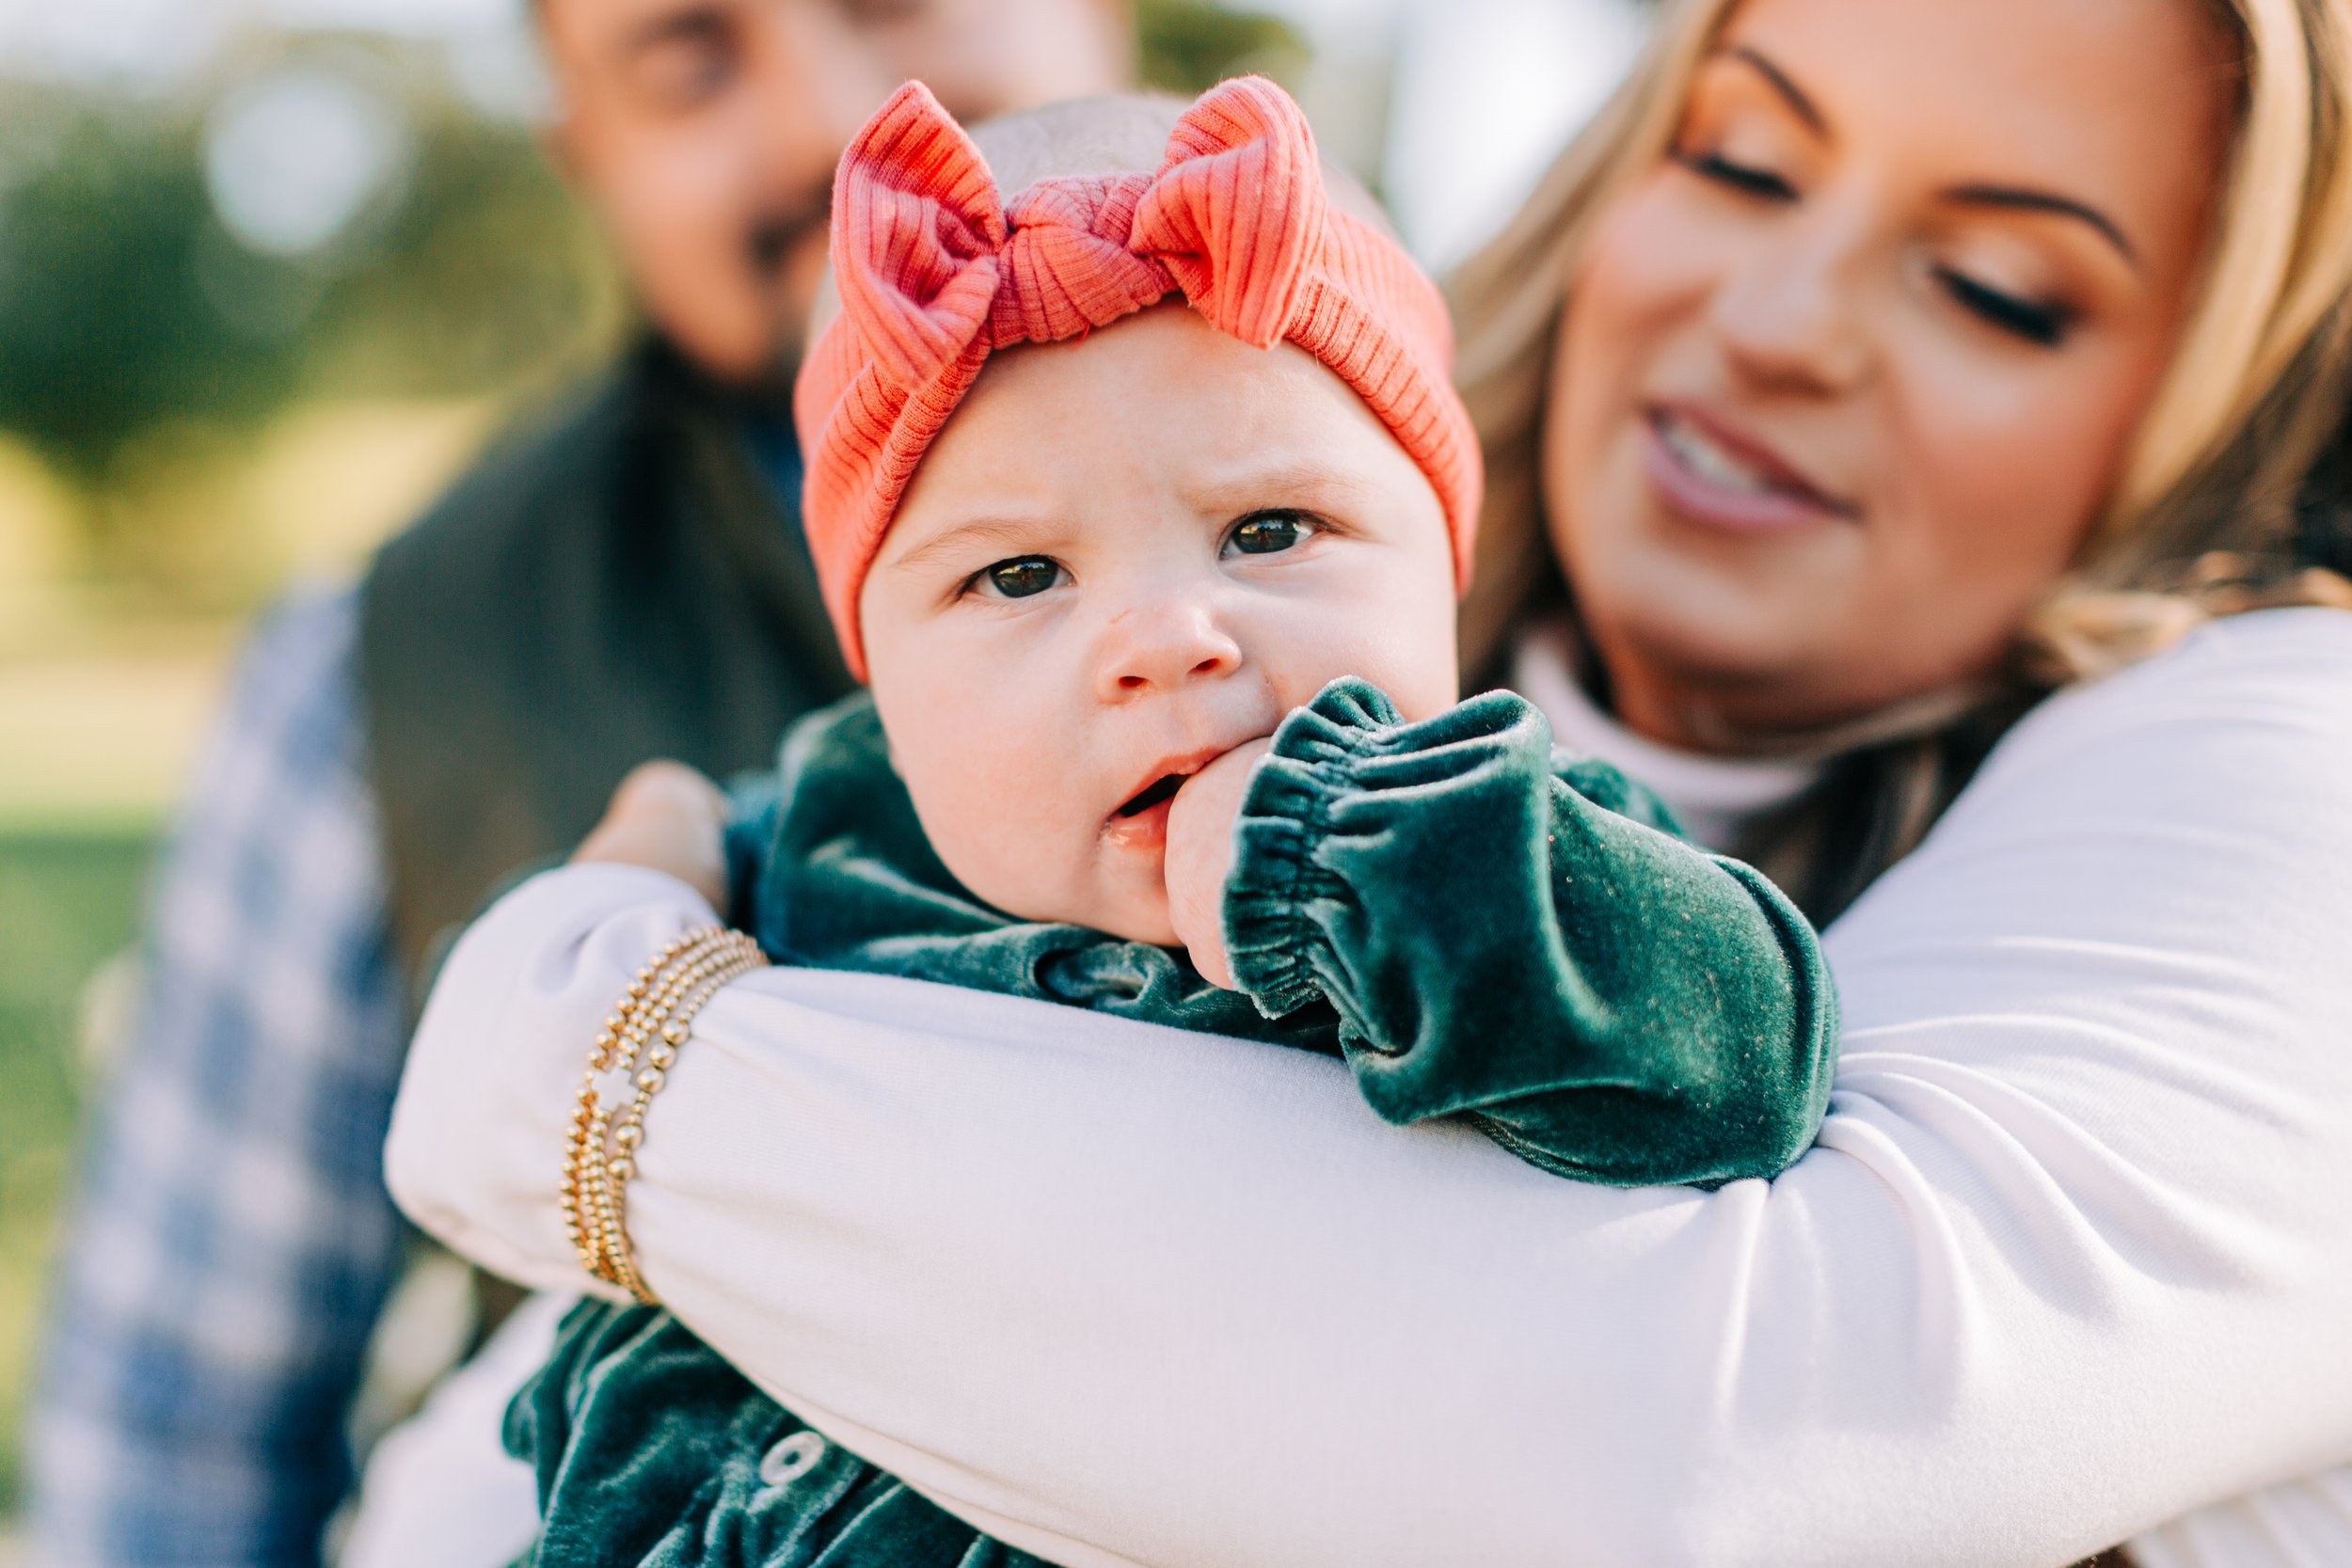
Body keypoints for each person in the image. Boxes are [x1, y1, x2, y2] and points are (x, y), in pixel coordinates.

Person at [387, 0, 2352, 1561]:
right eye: (1743, 161)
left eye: (1997, 284)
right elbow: (497, 1439)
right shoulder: (832, 824)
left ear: (2221, 397)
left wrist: (613, 1070)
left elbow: (1704, 1393)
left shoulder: (1479, 824)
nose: (1777, 327)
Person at [447, 76, 1839, 1563]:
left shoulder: (1504, 850)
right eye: (1019, 576)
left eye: (1270, 531)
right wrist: (636, 887)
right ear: (883, 689)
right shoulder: (811, 841)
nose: (1168, 639)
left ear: (1444, 566)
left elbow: (1746, 1062)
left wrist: (1331, 852)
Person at [25, 2, 1128, 1563]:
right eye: (686, 64)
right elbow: (179, 1429)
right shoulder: (387, 661)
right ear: (586, 154)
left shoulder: (1444, 484)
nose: (823, 125)